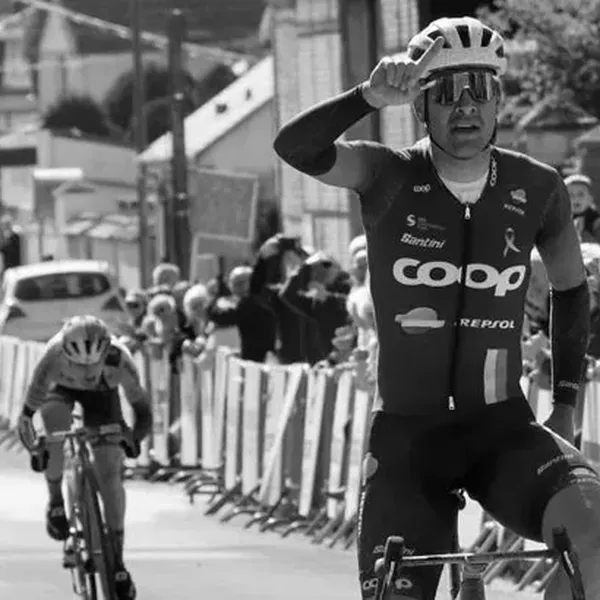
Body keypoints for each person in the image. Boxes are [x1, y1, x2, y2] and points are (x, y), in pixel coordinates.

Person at [273, 15, 600, 600]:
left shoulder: (539, 186)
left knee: (596, 535)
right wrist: (367, 96)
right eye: (445, 91)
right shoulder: (387, 173)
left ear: (499, 99)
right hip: (408, 440)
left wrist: (567, 405)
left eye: (480, 88)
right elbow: (294, 148)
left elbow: (572, 290)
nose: (465, 105)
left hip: (503, 429)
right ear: (421, 106)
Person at [16, 316, 152, 600]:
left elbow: (143, 413)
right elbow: (26, 417)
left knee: (110, 477)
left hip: (103, 397)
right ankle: (56, 500)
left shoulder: (119, 360)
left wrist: (133, 438)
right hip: (59, 392)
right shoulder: (51, 358)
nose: (87, 373)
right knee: (54, 435)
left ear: (105, 353)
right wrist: (36, 448)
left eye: (93, 365)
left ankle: (117, 561)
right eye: (79, 366)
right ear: (66, 355)